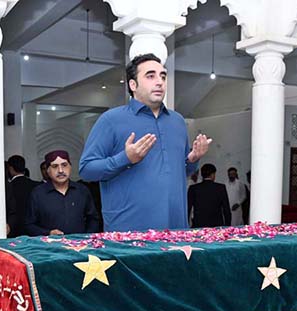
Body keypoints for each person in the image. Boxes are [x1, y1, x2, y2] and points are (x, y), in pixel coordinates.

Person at [79, 53, 212, 232]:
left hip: (176, 231)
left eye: (163, 76)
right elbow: (86, 170)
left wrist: (193, 158)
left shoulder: (177, 121)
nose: (159, 82)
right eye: (150, 76)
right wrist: (125, 158)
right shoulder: (111, 119)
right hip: (129, 232)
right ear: (133, 84)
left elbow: (184, 171)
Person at [25, 150, 100, 236]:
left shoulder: (82, 190)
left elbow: (93, 219)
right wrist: (48, 233)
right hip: (49, 247)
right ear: (48, 170)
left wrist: (86, 238)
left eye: (64, 165)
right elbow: (29, 225)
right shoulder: (38, 193)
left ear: (70, 167)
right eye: (54, 166)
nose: (60, 170)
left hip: (80, 246)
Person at [6, 155, 40, 237]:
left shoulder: (7, 188)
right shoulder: (37, 186)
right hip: (34, 233)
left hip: (13, 233)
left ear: (10, 168)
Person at [187, 163, 231, 228]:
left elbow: (188, 208)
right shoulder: (220, 188)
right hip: (217, 225)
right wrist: (228, 226)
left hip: (198, 224)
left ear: (202, 175)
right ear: (213, 174)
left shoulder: (193, 188)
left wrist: (187, 224)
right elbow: (226, 209)